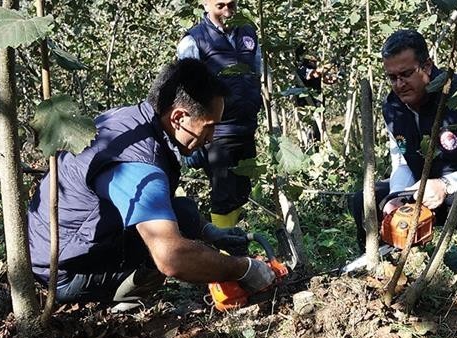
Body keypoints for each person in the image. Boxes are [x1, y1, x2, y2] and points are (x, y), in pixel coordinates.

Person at [27, 58, 275, 310]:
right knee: (160, 257)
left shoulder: (133, 119)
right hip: (63, 273)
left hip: (59, 244)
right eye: (209, 128)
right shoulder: (140, 165)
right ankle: (123, 302)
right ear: (178, 117)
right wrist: (243, 269)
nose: (211, 138)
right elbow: (172, 257)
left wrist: (210, 233)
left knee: (184, 213)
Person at [350, 30, 457, 279]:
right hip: (422, 196)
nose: (399, 84)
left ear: (427, 66)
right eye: (392, 77)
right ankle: (383, 260)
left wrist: (446, 186)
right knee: (365, 199)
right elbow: (402, 162)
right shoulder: (393, 108)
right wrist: (398, 197)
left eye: (406, 74)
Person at [176, 0, 262, 229]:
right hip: (217, 131)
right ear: (205, 4)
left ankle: (235, 242)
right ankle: (226, 253)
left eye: (232, 5)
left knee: (241, 192)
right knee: (223, 195)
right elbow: (186, 90)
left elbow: (256, 71)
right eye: (220, 5)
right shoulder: (194, 40)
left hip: (246, 126)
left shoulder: (248, 32)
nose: (227, 11)